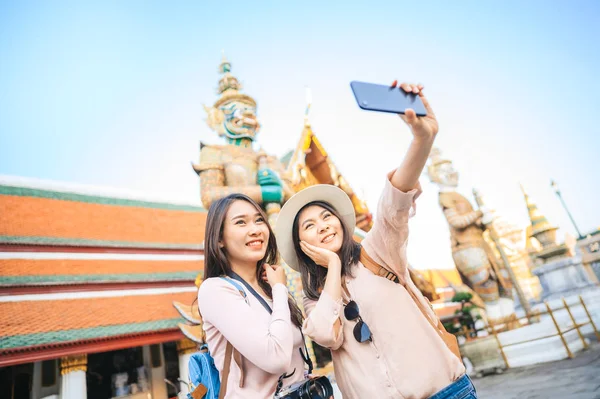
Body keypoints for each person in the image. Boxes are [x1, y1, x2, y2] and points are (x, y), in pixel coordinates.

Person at [274, 83, 477, 399]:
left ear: (342, 223)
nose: (323, 227)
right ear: (301, 244)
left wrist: (422, 138)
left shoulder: (379, 253)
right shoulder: (314, 299)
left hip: (444, 392)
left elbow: (393, 203)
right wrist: (332, 269)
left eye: (327, 217)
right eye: (310, 226)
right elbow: (325, 335)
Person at [197, 193, 306, 398]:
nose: (255, 230)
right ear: (219, 238)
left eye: (259, 220)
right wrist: (280, 290)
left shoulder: (269, 287)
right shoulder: (215, 290)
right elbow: (276, 358)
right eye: (241, 222)